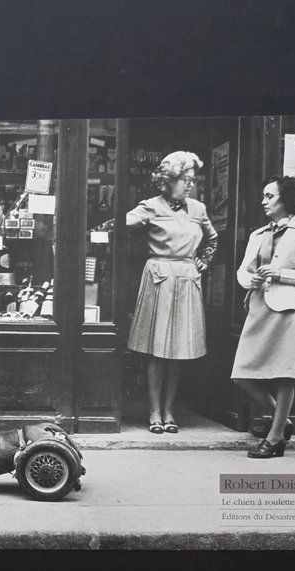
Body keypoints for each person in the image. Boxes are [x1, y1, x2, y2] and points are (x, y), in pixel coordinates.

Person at [95, 151, 218, 434]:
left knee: (178, 350)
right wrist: (94, 237)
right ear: (168, 180)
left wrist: (204, 260)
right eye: (185, 179)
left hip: (187, 278)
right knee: (157, 351)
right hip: (159, 279)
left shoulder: (198, 209)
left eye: (192, 179)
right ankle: (153, 411)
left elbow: (212, 238)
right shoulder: (150, 206)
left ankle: (169, 410)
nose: (190, 184)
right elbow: (117, 225)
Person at [231, 176, 295, 459]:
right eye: (263, 196)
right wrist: (250, 280)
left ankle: (274, 439)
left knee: (286, 376)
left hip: (289, 309)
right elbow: (242, 271)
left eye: (269, 196)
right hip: (260, 307)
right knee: (242, 375)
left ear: (286, 199)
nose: (264, 201)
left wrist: (280, 273)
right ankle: (282, 422)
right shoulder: (258, 234)